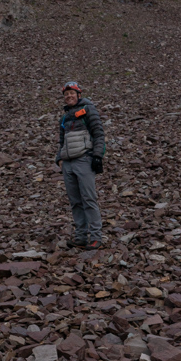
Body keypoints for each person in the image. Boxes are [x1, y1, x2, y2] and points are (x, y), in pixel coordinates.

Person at [56, 81, 105, 249]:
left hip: (84, 159)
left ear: (79, 94)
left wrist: (98, 156)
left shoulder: (88, 110)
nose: (69, 96)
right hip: (68, 163)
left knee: (89, 199)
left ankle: (96, 237)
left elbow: (98, 134)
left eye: (72, 93)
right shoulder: (65, 117)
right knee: (75, 201)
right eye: (66, 94)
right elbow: (62, 141)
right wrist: (59, 159)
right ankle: (81, 236)